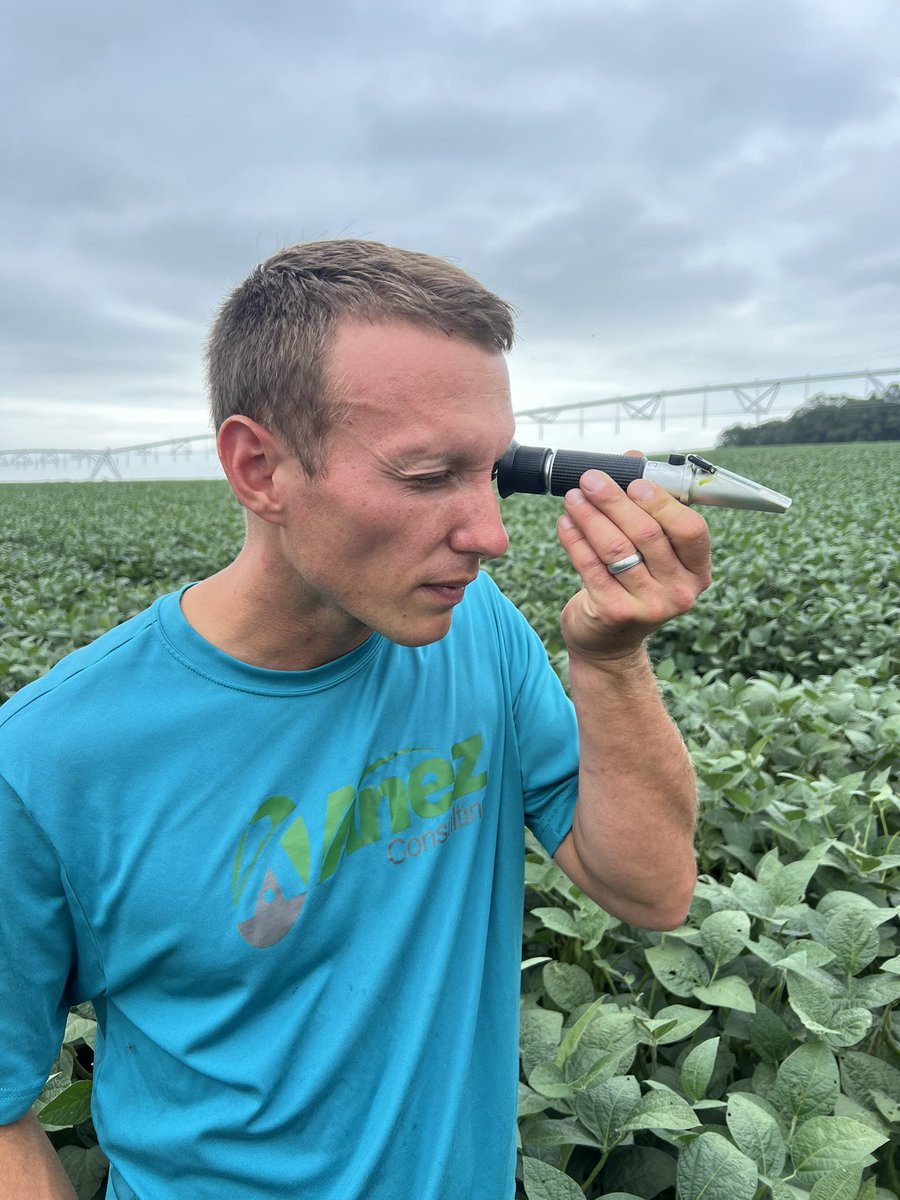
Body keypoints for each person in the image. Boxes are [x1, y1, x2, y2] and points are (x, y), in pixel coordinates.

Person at [0, 240, 711, 1200]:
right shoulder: (49, 760)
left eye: (491, 472)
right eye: (427, 476)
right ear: (259, 467)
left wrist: (612, 660)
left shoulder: (478, 631)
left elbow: (653, 889)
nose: (491, 537)